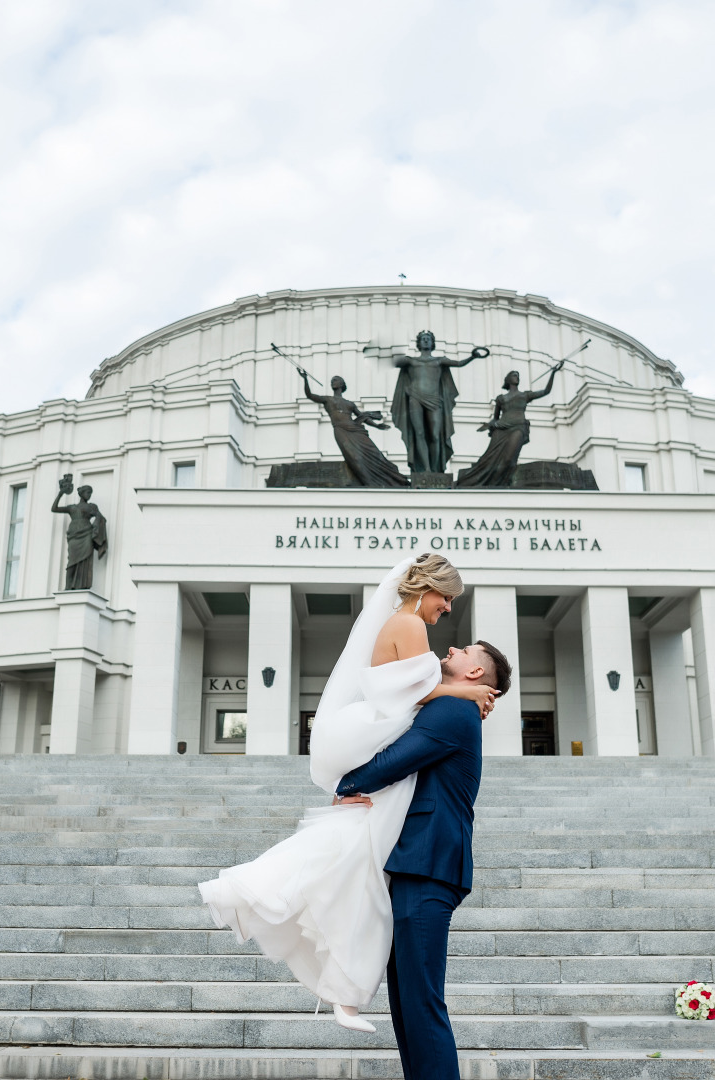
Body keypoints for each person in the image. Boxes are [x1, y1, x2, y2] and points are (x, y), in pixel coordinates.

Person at [198, 554, 499, 1032]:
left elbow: (419, 693)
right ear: (429, 588)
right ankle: (335, 979)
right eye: (447, 599)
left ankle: (337, 982)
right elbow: (419, 691)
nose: (447, 612)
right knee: (353, 859)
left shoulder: (408, 629)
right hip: (376, 729)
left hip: (382, 747)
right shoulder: (411, 627)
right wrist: (466, 694)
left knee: (349, 855)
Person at [337, 639, 512, 1079]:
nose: (452, 647)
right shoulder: (453, 703)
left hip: (429, 864)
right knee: (409, 1004)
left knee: (421, 1002)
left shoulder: (453, 712)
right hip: (419, 863)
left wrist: (346, 783)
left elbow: (396, 761)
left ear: (475, 674)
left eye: (466, 650)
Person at [391, 331, 489, 474]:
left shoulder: (439, 360)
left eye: (428, 339)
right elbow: (395, 363)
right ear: (418, 344)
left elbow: (459, 363)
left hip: (435, 400)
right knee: (419, 433)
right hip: (415, 398)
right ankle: (426, 469)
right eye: (423, 339)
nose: (425, 341)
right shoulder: (411, 361)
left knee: (435, 436)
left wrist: (472, 357)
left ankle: (436, 468)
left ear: (432, 343)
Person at [458, 361, 564, 488]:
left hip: (518, 427)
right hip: (501, 429)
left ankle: (502, 482)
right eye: (514, 375)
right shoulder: (501, 398)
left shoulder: (525, 395)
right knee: (490, 459)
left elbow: (546, 391)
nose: (516, 376)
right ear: (507, 380)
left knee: (509, 459)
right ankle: (492, 485)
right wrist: (489, 425)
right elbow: (495, 418)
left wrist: (553, 373)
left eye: (517, 375)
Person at [297, 368, 408, 487]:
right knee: (354, 457)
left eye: (336, 380)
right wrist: (305, 380)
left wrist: (377, 425)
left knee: (374, 453)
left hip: (355, 429)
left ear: (341, 384)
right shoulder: (327, 399)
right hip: (341, 429)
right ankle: (369, 482)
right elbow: (310, 395)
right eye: (332, 380)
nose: (333, 381)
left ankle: (389, 480)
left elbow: (362, 416)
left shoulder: (350, 404)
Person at [51, 477, 108, 590]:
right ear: (81, 493)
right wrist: (61, 493)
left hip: (87, 534)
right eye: (87, 492)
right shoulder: (72, 507)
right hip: (74, 535)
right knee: (72, 560)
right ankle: (68, 587)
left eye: (90, 493)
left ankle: (82, 586)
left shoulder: (92, 506)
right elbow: (54, 508)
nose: (89, 495)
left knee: (85, 559)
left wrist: (96, 519)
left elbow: (101, 518)